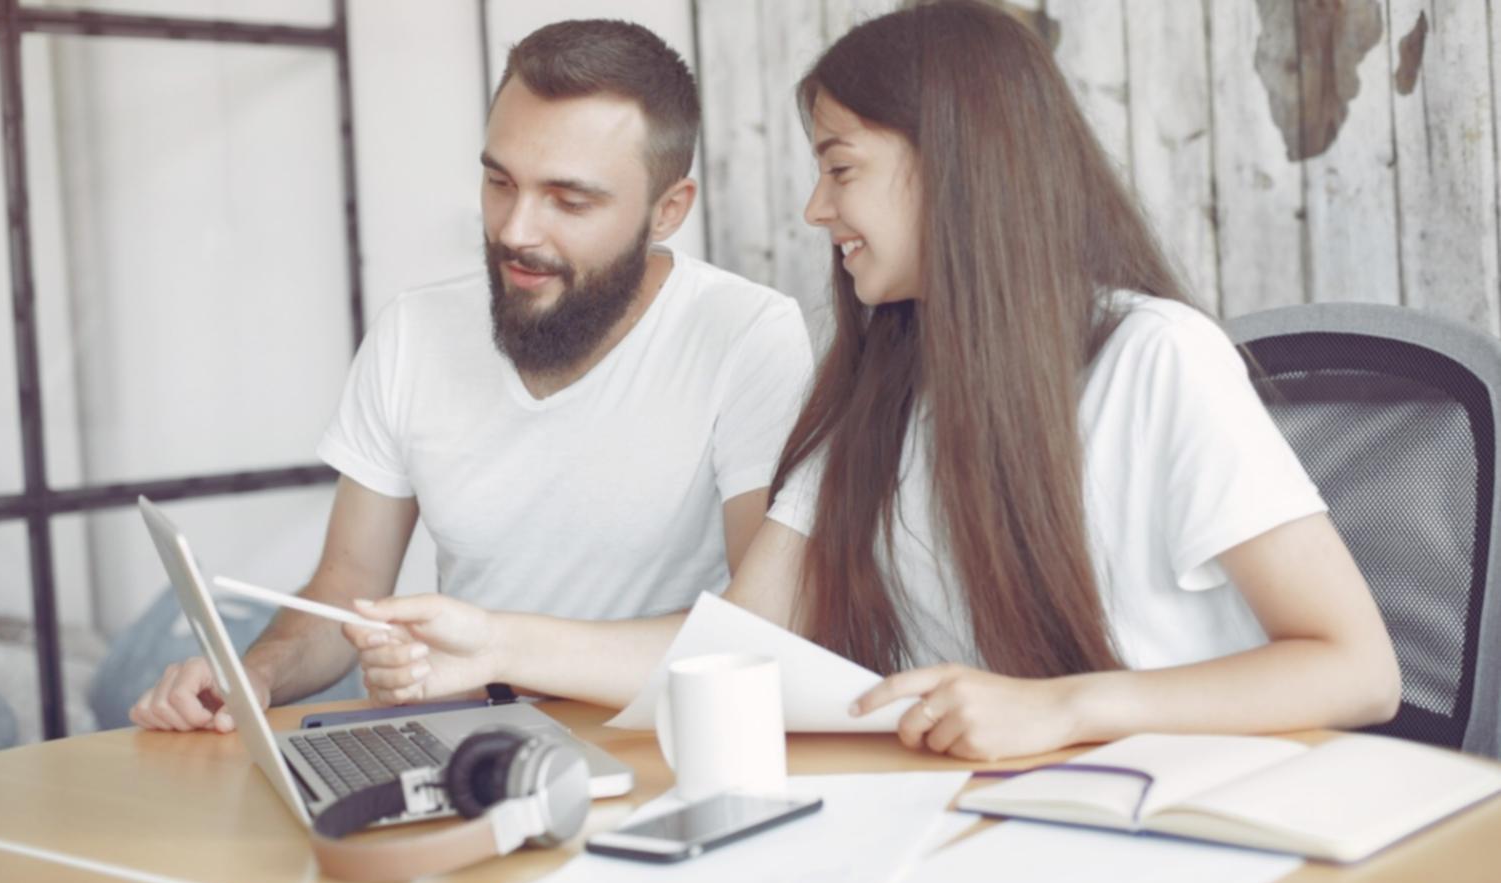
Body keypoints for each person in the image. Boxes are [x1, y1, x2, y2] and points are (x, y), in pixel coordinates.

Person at [342, 2, 1400, 761]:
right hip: (992, 834)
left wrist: (1066, 708)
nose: (814, 209)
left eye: (840, 167)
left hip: (1196, 827)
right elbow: (739, 645)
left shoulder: (1156, 360)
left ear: (956, 163)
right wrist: (493, 640)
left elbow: (1356, 667)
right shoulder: (875, 384)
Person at [129, 19, 813, 733]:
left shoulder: (746, 336)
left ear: (667, 210)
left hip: (663, 741)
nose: (516, 229)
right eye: (499, 182)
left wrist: (496, 646)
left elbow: (759, 630)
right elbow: (346, 588)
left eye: (569, 201)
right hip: (464, 745)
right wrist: (255, 671)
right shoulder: (413, 334)